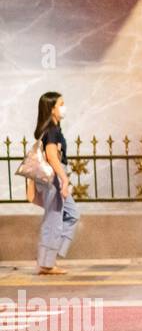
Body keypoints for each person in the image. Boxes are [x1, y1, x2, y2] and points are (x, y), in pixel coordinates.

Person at [31, 92, 80, 276]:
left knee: (71, 214)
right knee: (53, 219)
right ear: (52, 109)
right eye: (61, 104)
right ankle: (46, 264)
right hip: (54, 178)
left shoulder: (53, 129)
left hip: (54, 178)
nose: (63, 107)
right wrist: (64, 180)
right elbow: (52, 157)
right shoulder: (52, 130)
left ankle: (48, 257)